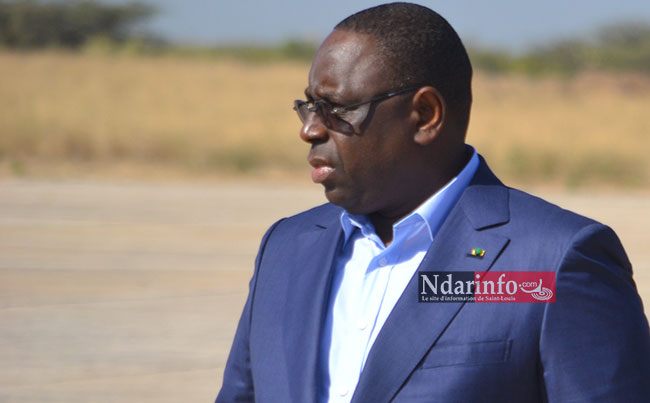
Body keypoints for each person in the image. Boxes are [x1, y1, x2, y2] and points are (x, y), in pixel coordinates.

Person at [216, 3, 650, 402]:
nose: (310, 130)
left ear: (425, 115)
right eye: (308, 106)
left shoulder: (549, 263)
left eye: (335, 108)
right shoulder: (287, 248)